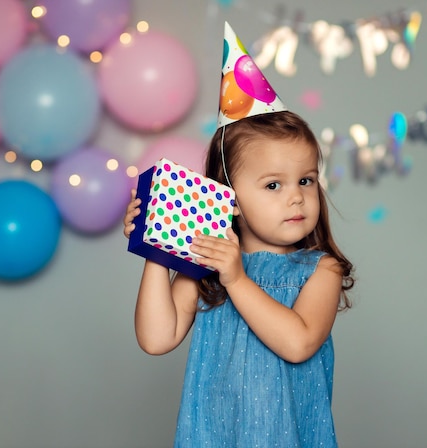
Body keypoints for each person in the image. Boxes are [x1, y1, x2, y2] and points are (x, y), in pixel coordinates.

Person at [123, 22, 354, 448]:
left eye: (305, 180)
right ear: (226, 195)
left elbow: (300, 342)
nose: (297, 198)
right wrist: (157, 246)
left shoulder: (321, 269)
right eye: (273, 185)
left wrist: (237, 280)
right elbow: (157, 339)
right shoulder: (206, 263)